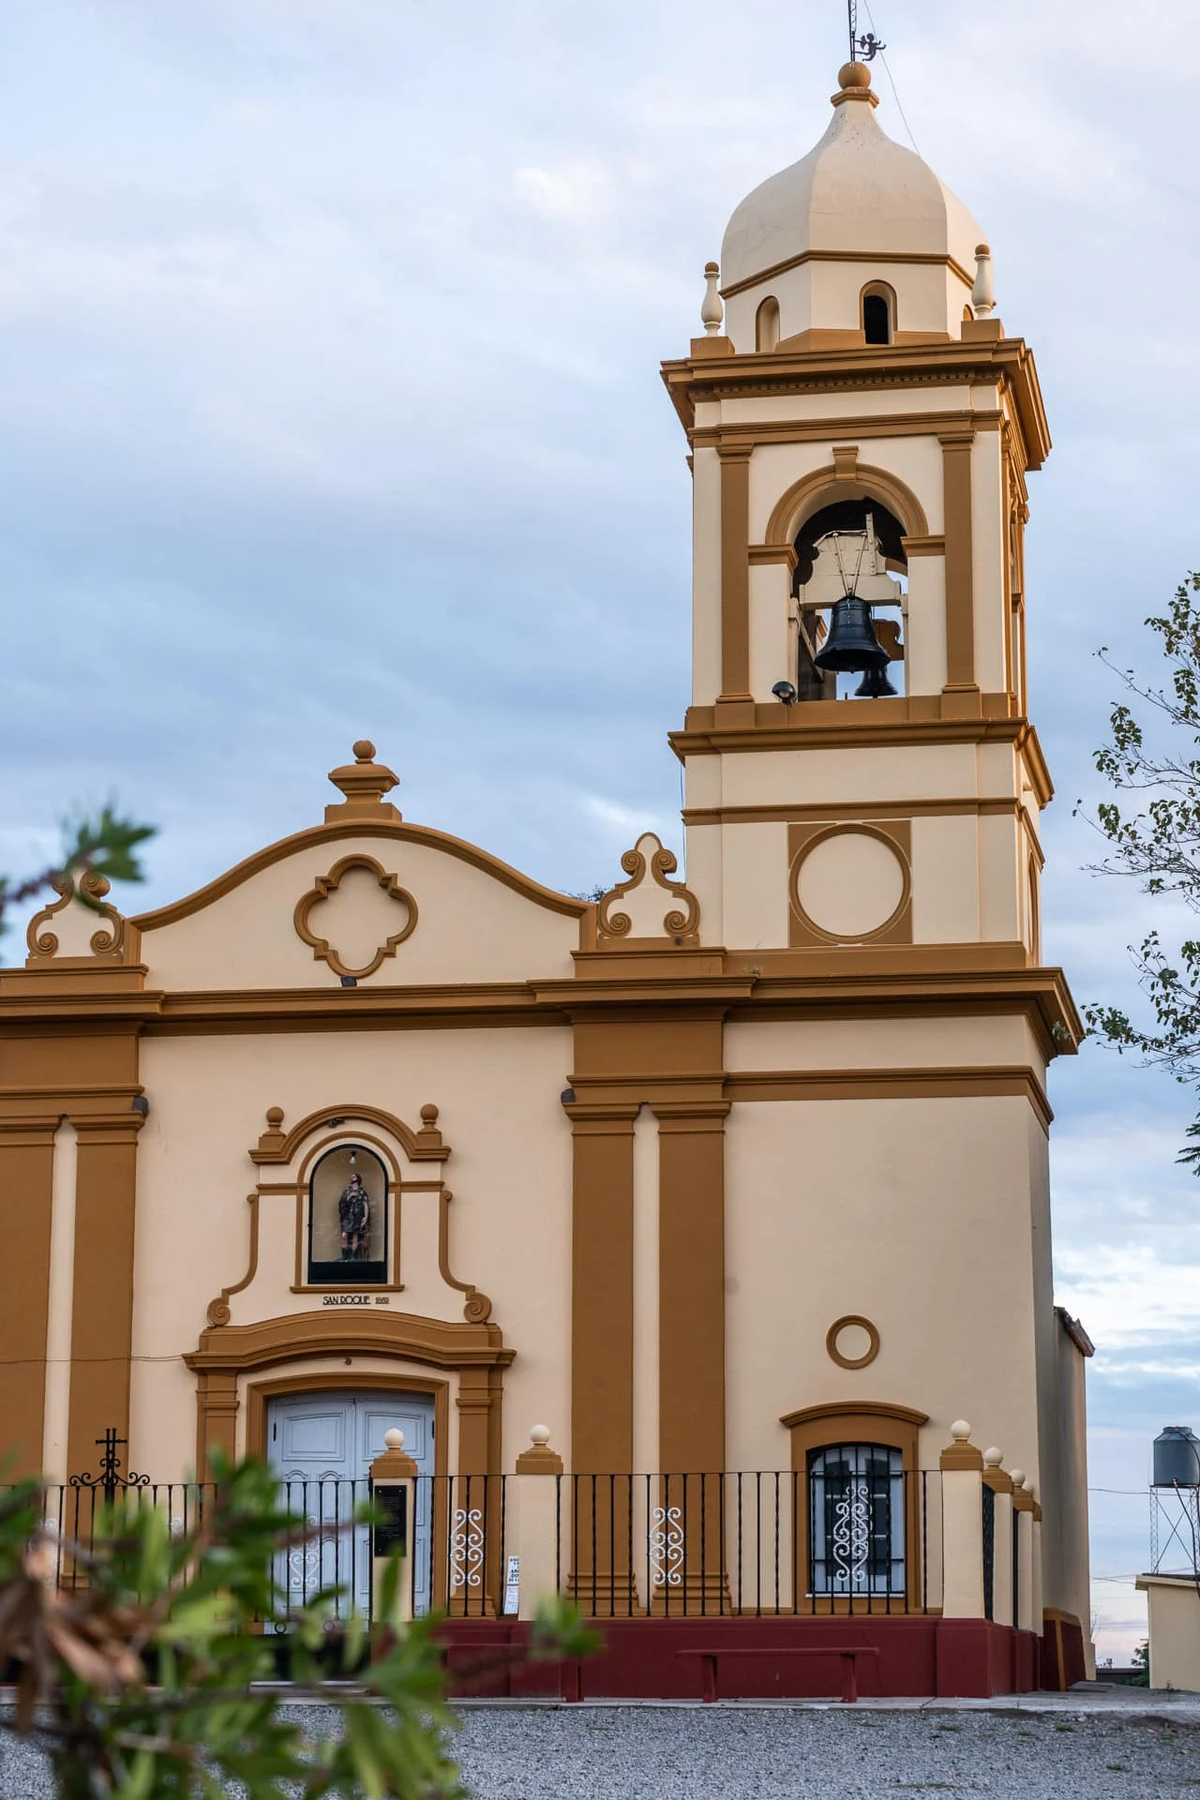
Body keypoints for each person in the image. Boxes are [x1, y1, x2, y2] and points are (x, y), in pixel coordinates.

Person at [337, 1171, 371, 1261]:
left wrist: (365, 1217)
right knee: (344, 1235)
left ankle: (353, 1256)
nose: (352, 1178)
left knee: (355, 1236)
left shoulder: (362, 1192)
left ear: (358, 1179)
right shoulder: (347, 1191)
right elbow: (342, 1203)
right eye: (351, 1177)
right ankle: (344, 1255)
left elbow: (365, 1204)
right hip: (348, 1216)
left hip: (357, 1216)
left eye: (354, 1177)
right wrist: (350, 1196)